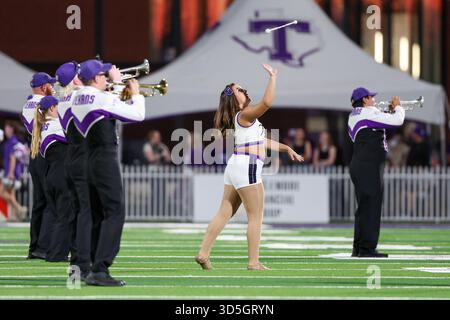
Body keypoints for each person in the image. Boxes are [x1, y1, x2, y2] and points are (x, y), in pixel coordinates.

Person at [195, 64, 304, 271]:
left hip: (236, 165)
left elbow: (262, 141)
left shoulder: (242, 117)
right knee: (256, 216)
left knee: (223, 213)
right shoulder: (244, 115)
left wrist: (286, 148)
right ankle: (253, 262)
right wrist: (272, 77)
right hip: (247, 166)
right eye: (240, 90)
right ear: (235, 99)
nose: (244, 90)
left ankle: (203, 253)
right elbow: (267, 102)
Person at [71, 59, 145, 286]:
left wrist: (115, 87)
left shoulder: (77, 97)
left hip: (88, 159)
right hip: (104, 158)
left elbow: (107, 104)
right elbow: (137, 115)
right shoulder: (101, 98)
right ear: (95, 79)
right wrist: (134, 92)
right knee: (114, 212)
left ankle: (92, 266)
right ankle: (100, 268)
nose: (107, 79)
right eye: (103, 76)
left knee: (96, 214)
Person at [347, 87, 405, 258]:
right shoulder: (368, 113)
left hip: (361, 165)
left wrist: (385, 112)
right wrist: (398, 107)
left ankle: (359, 247)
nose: (373, 100)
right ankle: (367, 249)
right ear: (364, 100)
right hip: (368, 167)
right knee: (372, 207)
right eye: (371, 97)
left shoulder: (354, 115)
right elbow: (397, 121)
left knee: (364, 208)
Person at [55, 61, 91, 279]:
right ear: (74, 80)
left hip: (73, 159)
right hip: (83, 160)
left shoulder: (65, 99)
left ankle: (78, 265)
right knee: (86, 214)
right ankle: (83, 266)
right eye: (80, 75)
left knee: (79, 214)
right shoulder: (76, 99)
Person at [30, 96, 75, 262]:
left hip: (52, 176)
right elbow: (74, 139)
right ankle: (56, 254)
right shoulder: (56, 125)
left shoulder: (43, 128)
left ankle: (52, 251)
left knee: (58, 216)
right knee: (64, 216)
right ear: (51, 109)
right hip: (60, 176)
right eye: (58, 107)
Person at [22, 72, 56, 260]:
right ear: (44, 87)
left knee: (40, 203)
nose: (53, 87)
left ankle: (35, 247)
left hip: (35, 156)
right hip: (44, 154)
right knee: (50, 202)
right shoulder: (43, 104)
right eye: (50, 85)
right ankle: (43, 247)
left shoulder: (29, 103)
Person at [0, 121, 28, 221]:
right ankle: (14, 215)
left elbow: (13, 158)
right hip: (12, 172)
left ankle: (19, 208)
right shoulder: (11, 141)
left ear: (12, 129)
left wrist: (11, 173)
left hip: (12, 173)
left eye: (7, 128)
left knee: (2, 192)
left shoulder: (12, 142)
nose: (6, 131)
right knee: (11, 194)